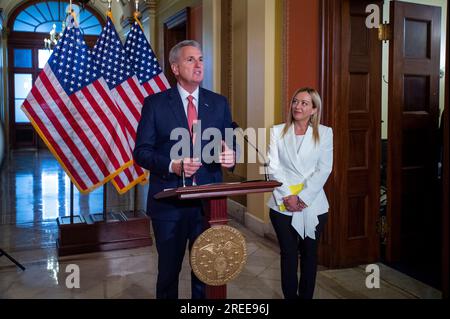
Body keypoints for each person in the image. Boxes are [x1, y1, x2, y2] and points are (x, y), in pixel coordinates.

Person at [133, 40, 235, 299]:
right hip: (169, 203)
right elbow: (141, 152)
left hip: (208, 206)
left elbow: (229, 144)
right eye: (190, 59)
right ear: (175, 68)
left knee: (205, 272)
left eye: (201, 59)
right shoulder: (155, 104)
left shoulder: (219, 103)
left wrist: (230, 156)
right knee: (168, 273)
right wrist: (172, 165)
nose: (198, 64)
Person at [266, 87, 333, 299]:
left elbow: (324, 169)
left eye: (304, 103)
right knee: (288, 254)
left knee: (309, 255)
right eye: (295, 101)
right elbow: (272, 167)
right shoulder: (277, 131)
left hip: (313, 204)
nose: (298, 106)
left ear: (314, 109)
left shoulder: (325, 133)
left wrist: (302, 198)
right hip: (282, 204)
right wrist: (288, 197)